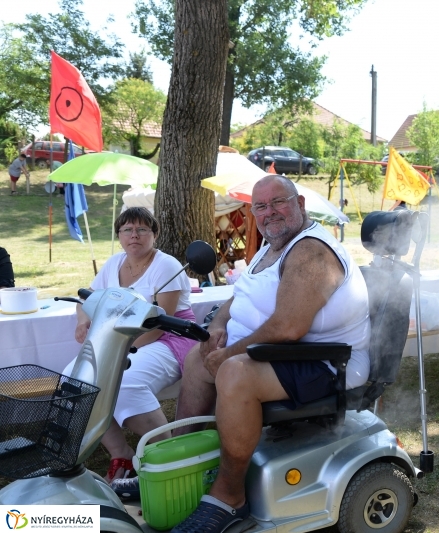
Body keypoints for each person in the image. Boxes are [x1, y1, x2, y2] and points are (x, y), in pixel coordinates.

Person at [158, 175, 370, 532]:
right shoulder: (272, 246)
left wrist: (226, 357)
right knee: (198, 358)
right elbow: (238, 297)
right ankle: (185, 464)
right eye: (260, 206)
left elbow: (288, 328)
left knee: (234, 373)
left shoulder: (311, 251)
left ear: (300, 204)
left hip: (328, 362)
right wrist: (215, 331)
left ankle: (229, 497)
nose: (269, 212)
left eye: (278, 202)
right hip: (284, 355)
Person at [64, 207, 197, 484]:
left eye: (141, 230)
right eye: (127, 230)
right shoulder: (114, 263)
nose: (134, 235)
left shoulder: (167, 266)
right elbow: (87, 301)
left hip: (168, 338)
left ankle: (170, 456)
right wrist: (82, 321)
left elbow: (160, 324)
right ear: (119, 235)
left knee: (124, 382)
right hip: (121, 340)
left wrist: (119, 347)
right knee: (74, 378)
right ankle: (120, 454)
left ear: (154, 235)